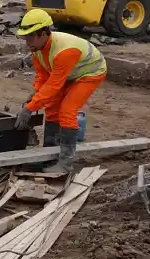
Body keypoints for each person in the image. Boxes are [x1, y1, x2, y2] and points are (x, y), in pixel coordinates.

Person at [13, 9, 107, 173]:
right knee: (51, 107)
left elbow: (54, 85)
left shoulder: (64, 51)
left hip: (90, 73)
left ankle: (65, 163)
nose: (27, 42)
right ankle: (50, 155)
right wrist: (36, 93)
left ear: (44, 33)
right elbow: (43, 74)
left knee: (67, 110)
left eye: (30, 37)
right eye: (25, 37)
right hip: (69, 73)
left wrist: (30, 108)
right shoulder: (37, 49)